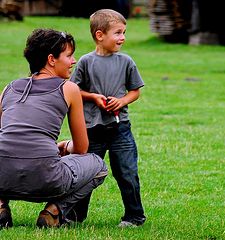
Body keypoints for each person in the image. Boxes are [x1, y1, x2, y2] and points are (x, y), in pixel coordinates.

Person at [0, 28, 108, 229]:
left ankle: (1, 206)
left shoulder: (9, 88)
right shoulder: (68, 88)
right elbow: (82, 149)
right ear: (51, 59)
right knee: (98, 165)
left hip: (3, 178)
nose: (74, 61)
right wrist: (65, 146)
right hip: (45, 181)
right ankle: (54, 211)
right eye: (69, 56)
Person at [70, 9, 146, 227]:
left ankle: (134, 217)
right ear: (100, 35)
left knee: (127, 173)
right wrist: (93, 96)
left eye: (124, 32)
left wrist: (122, 101)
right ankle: (75, 217)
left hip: (120, 129)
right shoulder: (85, 62)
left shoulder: (126, 61)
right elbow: (73, 90)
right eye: (118, 33)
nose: (122, 37)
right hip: (92, 129)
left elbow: (135, 91)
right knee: (86, 174)